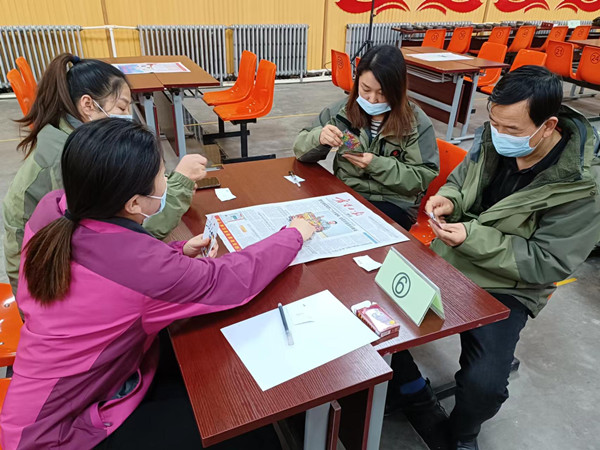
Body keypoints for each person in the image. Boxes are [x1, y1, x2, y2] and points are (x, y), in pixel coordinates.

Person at [0, 119, 315, 450]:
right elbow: (231, 280)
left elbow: (114, 271)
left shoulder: (55, 210)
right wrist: (293, 235)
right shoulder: (141, 268)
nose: (167, 181)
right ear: (134, 203)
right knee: (244, 428)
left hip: (43, 409)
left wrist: (174, 252)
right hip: (62, 435)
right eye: (163, 176)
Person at [388, 66, 600, 450]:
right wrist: (450, 199)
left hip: (510, 284)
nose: (500, 134)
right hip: (454, 253)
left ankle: (462, 433)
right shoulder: (494, 138)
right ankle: (411, 388)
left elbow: (544, 262)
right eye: (495, 122)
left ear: (549, 126)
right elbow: (462, 180)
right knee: (378, 313)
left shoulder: (583, 187)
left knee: (484, 385)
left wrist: (471, 236)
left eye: (512, 129)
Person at [2, 53, 207, 296]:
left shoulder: (68, 136)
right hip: (46, 287)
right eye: (121, 107)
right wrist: (179, 185)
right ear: (88, 105)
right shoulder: (71, 160)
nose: (128, 116)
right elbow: (121, 237)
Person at [293, 45, 439, 231]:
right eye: (366, 89)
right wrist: (319, 138)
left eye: (382, 93)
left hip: (394, 203)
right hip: (347, 194)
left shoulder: (416, 123)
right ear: (357, 81)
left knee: (357, 231)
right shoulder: (342, 112)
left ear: (398, 90)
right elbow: (300, 149)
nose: (372, 99)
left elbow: (421, 177)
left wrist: (376, 164)